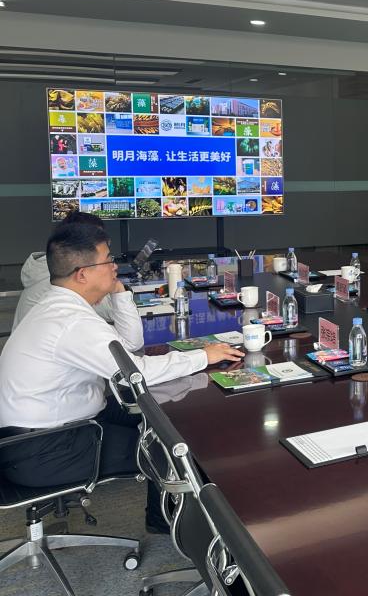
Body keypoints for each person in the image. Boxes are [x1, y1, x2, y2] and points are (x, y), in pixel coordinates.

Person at [0, 224, 244, 531]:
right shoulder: (70, 321)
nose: (115, 266)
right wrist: (204, 356)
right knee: (174, 449)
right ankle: (188, 531)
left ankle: (164, 517)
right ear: (82, 274)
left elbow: (128, 346)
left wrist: (119, 292)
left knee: (166, 417)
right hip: (41, 449)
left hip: (46, 430)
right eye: (108, 260)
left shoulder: (60, 305)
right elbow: (137, 374)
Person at [13, 211, 137, 339]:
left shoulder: (53, 269)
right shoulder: (62, 281)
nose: (113, 265)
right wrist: (118, 289)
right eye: (97, 239)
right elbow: (124, 325)